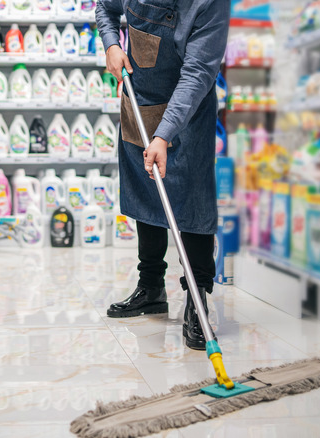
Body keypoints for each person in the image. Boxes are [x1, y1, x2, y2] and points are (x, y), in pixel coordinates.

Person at [96, 0, 229, 350]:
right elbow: (105, 7)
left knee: (193, 198)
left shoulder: (211, 4)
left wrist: (164, 134)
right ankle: (151, 287)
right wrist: (111, 44)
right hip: (140, 97)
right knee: (146, 186)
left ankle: (197, 298)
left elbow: (199, 71)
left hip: (189, 106)